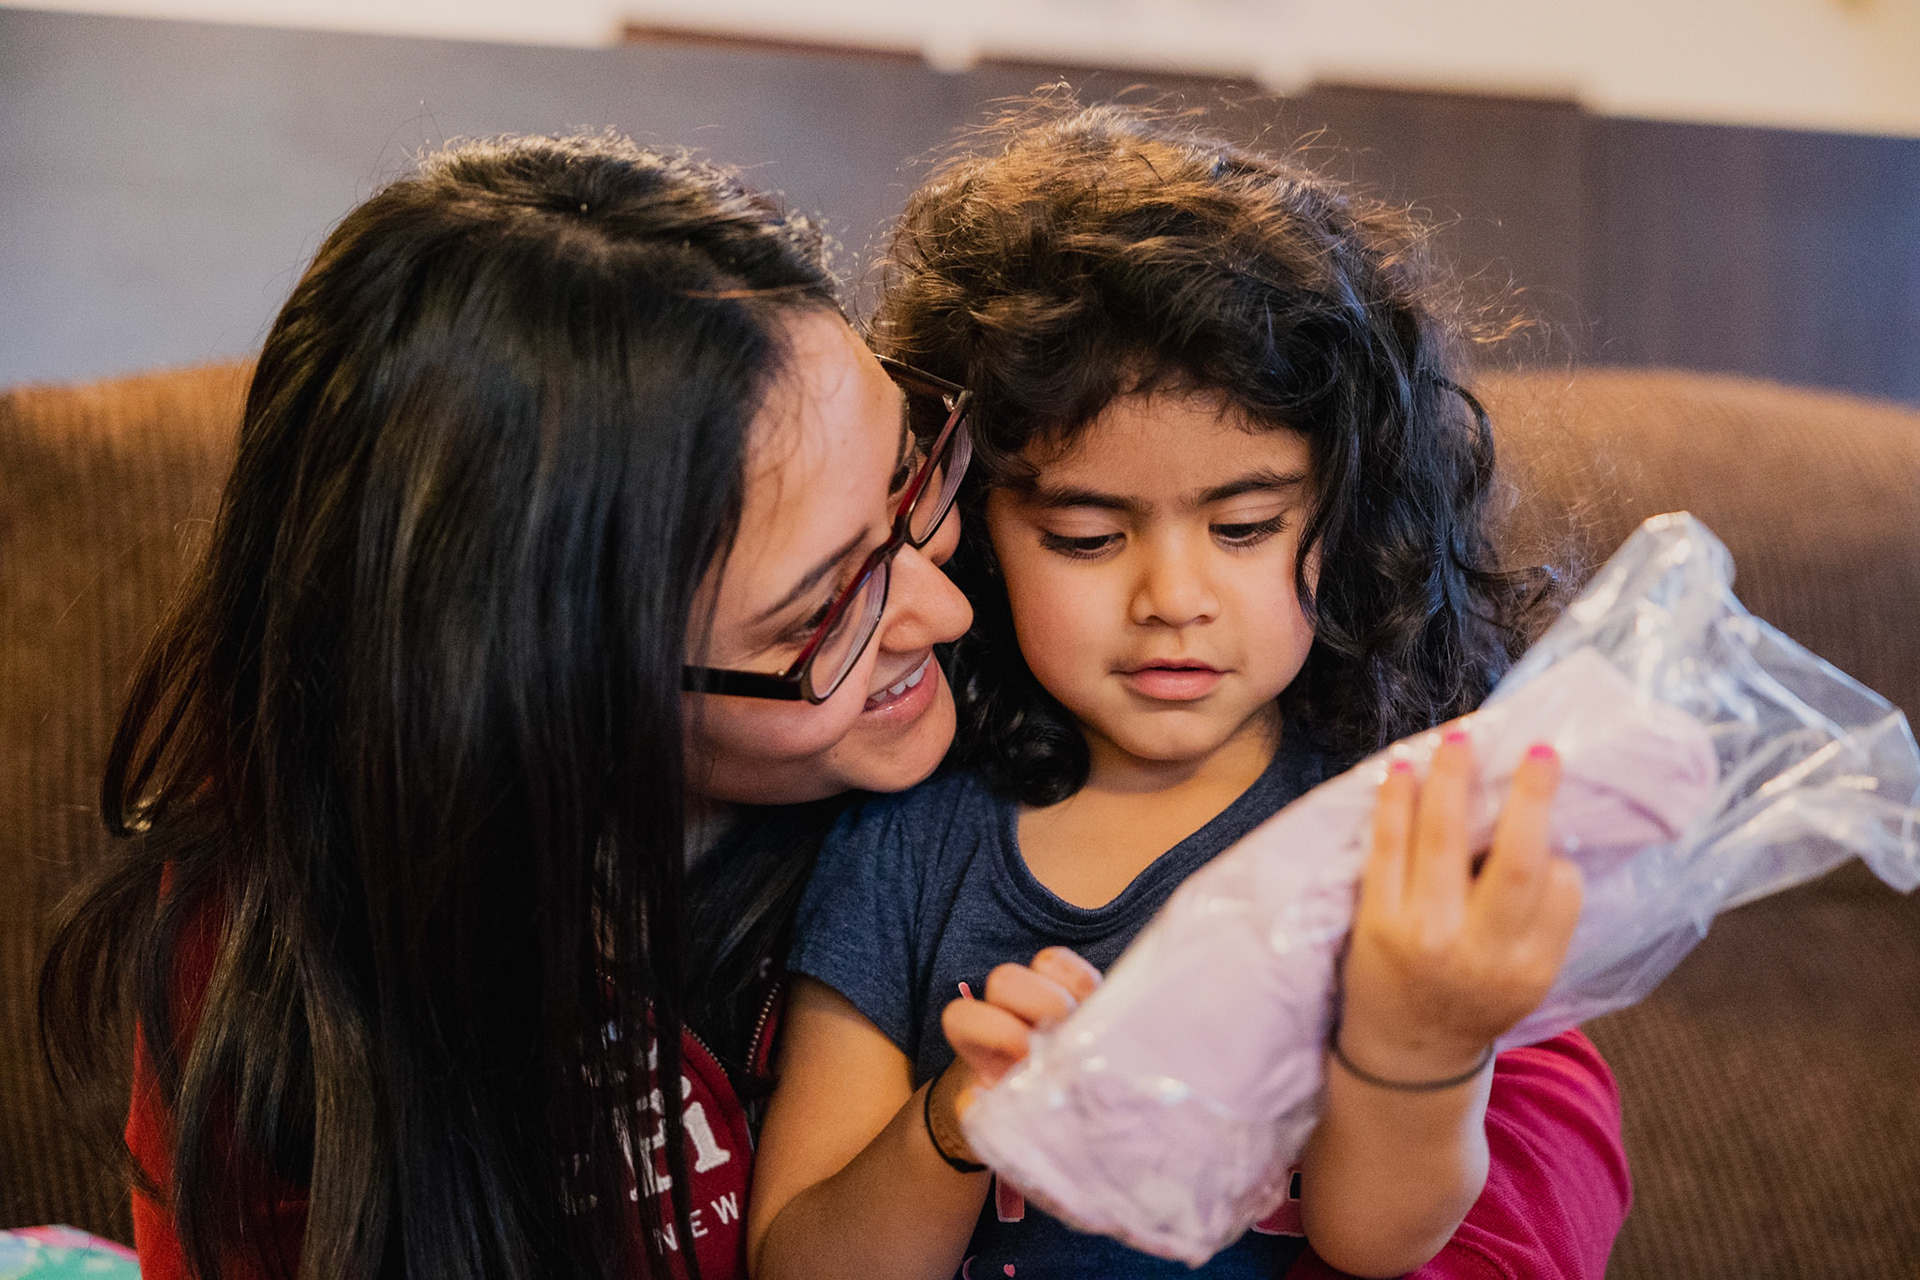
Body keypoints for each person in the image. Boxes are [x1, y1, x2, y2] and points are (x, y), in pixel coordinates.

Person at [38, 131, 978, 1280]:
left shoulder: (1041, 717)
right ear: (559, 692)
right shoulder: (280, 964)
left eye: (908, 474)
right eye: (819, 611)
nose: (946, 609)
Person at [747, 103, 1630, 1279]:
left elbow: (1377, 1240)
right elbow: (801, 1259)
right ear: (975, 533)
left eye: (1246, 526)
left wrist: (1422, 1041)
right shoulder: (903, 844)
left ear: (1352, 518)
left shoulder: (1379, 828)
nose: (1173, 597)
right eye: (1085, 537)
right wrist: (958, 1121)